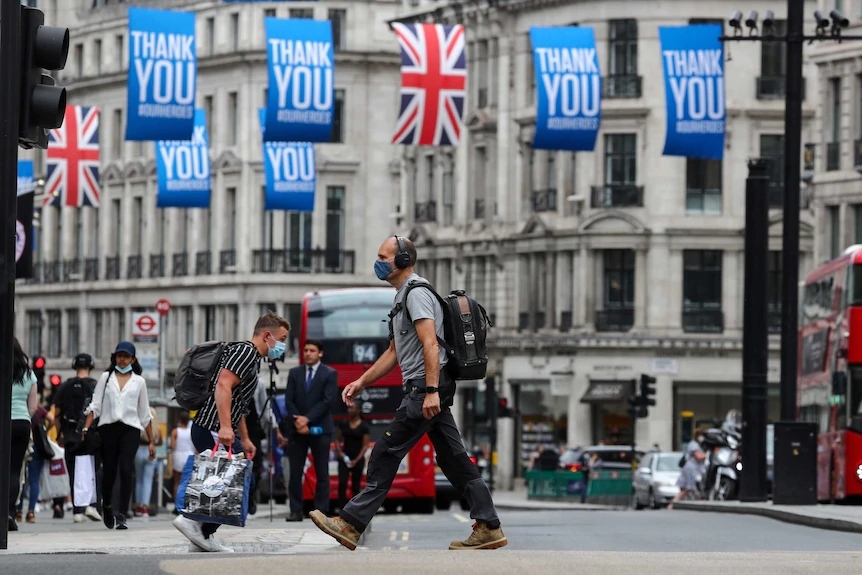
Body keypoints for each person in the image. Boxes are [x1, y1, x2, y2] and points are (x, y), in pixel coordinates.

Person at [309, 235, 507, 551]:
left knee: (385, 451)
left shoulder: (416, 294)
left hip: (424, 389)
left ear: (403, 260)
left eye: (383, 256)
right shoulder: (402, 296)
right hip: (429, 388)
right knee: (455, 459)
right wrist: (362, 382)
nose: (377, 262)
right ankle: (489, 526)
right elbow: (393, 351)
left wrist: (429, 391)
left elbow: (430, 343)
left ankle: (350, 523)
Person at [172, 311, 290, 553]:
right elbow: (223, 385)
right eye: (282, 338)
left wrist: (244, 437)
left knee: (228, 478)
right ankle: (193, 522)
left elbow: (239, 403)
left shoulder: (251, 358)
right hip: (212, 426)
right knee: (236, 479)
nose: (283, 345)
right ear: (267, 336)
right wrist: (226, 427)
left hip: (217, 427)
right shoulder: (246, 352)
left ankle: (201, 535)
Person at [83, 342, 157, 530]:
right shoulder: (106, 377)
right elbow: (95, 405)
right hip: (108, 427)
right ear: (115, 357)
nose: (122, 359)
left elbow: (144, 413)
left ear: (133, 359)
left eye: (126, 356)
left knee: (126, 469)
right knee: (109, 471)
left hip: (130, 429)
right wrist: (85, 429)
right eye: (119, 356)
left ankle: (122, 513)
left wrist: (151, 441)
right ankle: (107, 505)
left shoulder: (139, 381)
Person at [281, 339, 338, 521]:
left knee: (322, 472)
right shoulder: (294, 373)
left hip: (321, 429)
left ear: (320, 353)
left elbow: (327, 401)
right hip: (297, 430)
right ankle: (295, 510)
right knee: (295, 472)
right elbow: (289, 400)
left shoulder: (329, 374)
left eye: (312, 350)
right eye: (305, 350)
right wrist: (299, 421)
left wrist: (307, 419)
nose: (307, 353)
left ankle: (320, 512)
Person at [51, 353, 102, 523]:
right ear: (91, 366)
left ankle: (77, 511)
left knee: (73, 473)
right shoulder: (95, 386)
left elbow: (56, 413)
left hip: (70, 435)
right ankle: (92, 505)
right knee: (92, 471)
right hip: (90, 435)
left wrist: (60, 434)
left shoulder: (65, 386)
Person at [7, 338, 38, 532]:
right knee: (14, 471)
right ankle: (10, 513)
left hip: (4, 423)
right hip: (22, 423)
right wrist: (24, 416)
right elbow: (33, 407)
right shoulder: (29, 374)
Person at [16, 404, 54, 523]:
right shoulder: (37, 409)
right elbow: (51, 419)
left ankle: (19, 511)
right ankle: (31, 511)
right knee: (34, 480)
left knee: (21, 479)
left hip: (23, 444)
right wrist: (45, 431)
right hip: (37, 447)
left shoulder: (19, 408)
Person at [334, 401, 370, 513]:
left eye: (352, 408)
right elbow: (337, 439)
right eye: (349, 408)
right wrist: (340, 452)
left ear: (358, 410)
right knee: (342, 483)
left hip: (357, 459)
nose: (350, 410)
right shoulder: (343, 424)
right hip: (344, 458)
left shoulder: (364, 426)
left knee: (356, 485)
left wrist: (357, 459)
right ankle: (342, 509)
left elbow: (365, 445)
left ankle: (355, 510)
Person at [668, 426, 708, 510]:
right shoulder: (694, 445)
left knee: (689, 489)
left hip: (692, 468)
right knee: (688, 488)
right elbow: (699, 457)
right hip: (691, 469)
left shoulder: (695, 444)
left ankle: (673, 504)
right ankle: (672, 505)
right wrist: (707, 455)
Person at [134, 406, 162, 518]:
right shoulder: (156, 428)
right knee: (148, 480)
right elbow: (160, 441)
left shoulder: (140, 426)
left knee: (139, 480)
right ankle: (145, 507)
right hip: (151, 451)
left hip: (139, 450)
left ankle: (139, 506)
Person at [169, 411, 195, 512]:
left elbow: (172, 445)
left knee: (177, 482)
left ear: (179, 420)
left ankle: (177, 505)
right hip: (189, 455)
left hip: (178, 455)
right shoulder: (191, 431)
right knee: (188, 482)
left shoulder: (175, 431)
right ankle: (186, 504)